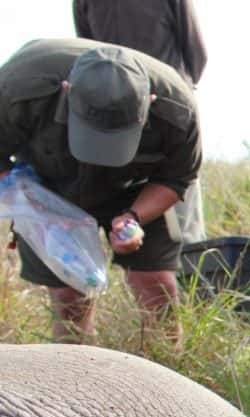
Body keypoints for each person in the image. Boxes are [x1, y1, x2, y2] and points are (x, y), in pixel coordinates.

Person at [0, 38, 201, 343]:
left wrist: (134, 218)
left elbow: (177, 177)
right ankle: (75, 376)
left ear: (150, 101)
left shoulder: (178, 110)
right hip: (49, 188)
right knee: (70, 295)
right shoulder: (19, 88)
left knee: (157, 284)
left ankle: (166, 368)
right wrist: (41, 214)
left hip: (136, 188)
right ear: (67, 90)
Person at [74, 0, 208, 244]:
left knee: (177, 199)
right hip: (138, 111)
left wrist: (180, 93)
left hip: (145, 109)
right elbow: (197, 52)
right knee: (178, 208)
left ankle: (186, 271)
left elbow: (88, 56)